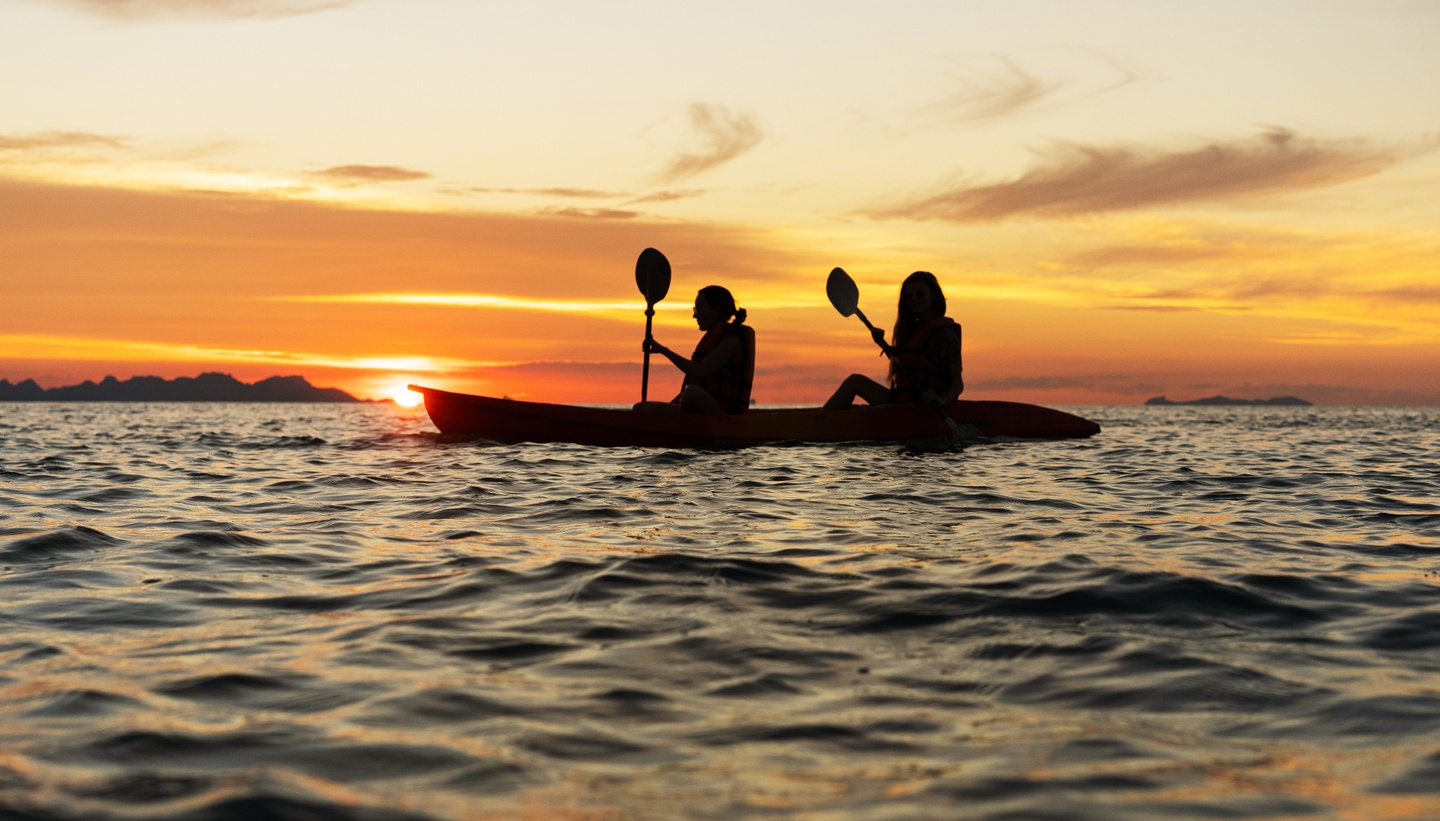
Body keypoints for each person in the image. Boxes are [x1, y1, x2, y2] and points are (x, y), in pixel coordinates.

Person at [823, 271, 963, 411]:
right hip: (904, 403)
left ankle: (818, 425)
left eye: (920, 293)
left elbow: (958, 384)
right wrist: (882, 343)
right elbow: (908, 366)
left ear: (932, 295)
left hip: (926, 409)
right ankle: (819, 420)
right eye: (909, 296)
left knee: (855, 382)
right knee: (855, 382)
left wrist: (942, 399)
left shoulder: (945, 334)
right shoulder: (913, 331)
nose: (914, 299)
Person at [635, 285, 755, 414]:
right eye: (695, 309)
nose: (695, 315)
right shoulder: (713, 338)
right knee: (642, 409)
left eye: (699, 309)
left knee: (691, 393)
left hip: (726, 417)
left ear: (717, 311)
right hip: (701, 411)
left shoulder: (733, 339)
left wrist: (664, 351)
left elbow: (701, 371)